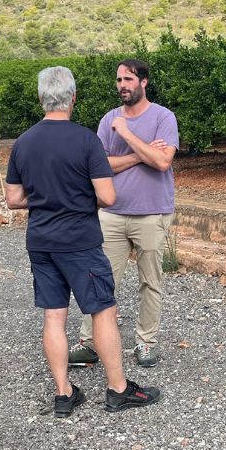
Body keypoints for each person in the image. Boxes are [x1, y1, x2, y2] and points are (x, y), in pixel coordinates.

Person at [5, 66, 161, 416]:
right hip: (80, 241)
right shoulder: (85, 140)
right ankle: (118, 389)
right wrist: (73, 195)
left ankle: (64, 394)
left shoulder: (24, 142)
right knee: (104, 312)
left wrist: (47, 196)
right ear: (73, 98)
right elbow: (106, 196)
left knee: (53, 317)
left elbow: (14, 198)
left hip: (41, 242)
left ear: (40, 98)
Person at [71, 59, 178, 369]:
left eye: (128, 79)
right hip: (112, 214)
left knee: (150, 281)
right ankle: (90, 343)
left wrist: (127, 135)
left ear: (143, 82)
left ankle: (146, 343)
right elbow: (100, 166)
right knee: (101, 280)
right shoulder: (108, 120)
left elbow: (162, 162)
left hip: (151, 213)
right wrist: (140, 153)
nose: (122, 85)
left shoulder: (163, 117)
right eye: (118, 80)